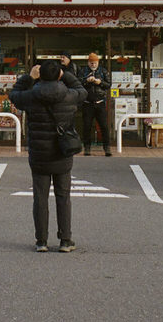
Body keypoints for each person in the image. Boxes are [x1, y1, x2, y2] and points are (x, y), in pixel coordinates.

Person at [10, 59, 86, 253]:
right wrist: (65, 75)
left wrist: (29, 77)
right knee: (63, 196)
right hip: (62, 152)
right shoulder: (69, 95)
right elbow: (82, 90)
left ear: (40, 75)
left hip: (39, 153)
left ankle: (41, 241)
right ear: (59, 75)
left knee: (40, 198)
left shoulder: (31, 96)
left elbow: (14, 95)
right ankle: (65, 240)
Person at [79, 51, 112, 156]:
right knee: (87, 126)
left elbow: (109, 84)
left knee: (104, 126)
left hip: (100, 102)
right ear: (88, 62)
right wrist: (86, 81)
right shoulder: (83, 71)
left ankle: (107, 147)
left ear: (98, 63)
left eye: (95, 62)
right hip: (87, 102)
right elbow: (78, 83)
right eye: (91, 62)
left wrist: (100, 82)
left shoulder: (103, 71)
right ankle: (87, 148)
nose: (93, 64)